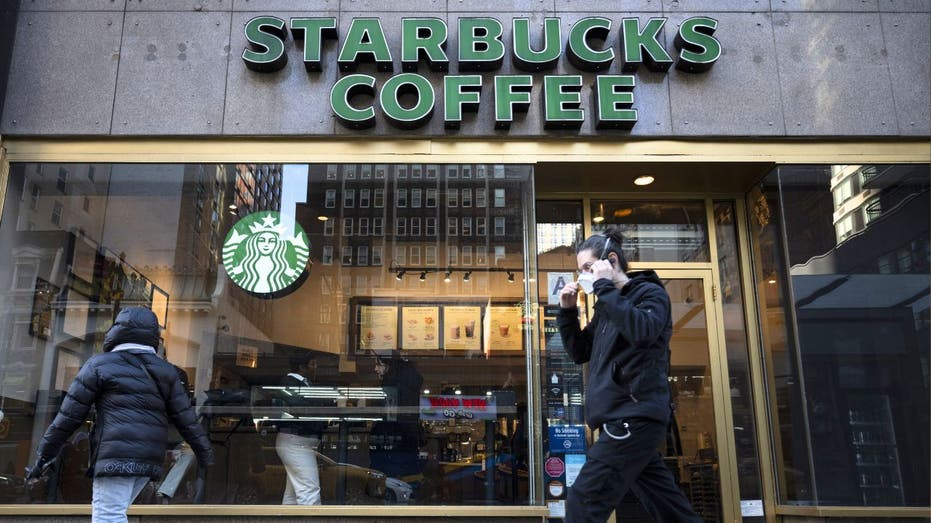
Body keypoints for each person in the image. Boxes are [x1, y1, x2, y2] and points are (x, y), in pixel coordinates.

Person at [556, 227, 701, 523]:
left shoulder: (650, 294)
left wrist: (605, 289)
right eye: (581, 270)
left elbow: (643, 330)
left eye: (588, 267)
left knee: (584, 500)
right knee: (670, 509)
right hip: (626, 418)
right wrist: (568, 313)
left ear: (611, 260)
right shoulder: (608, 307)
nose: (584, 275)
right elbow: (580, 352)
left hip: (631, 418)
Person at [26, 306, 214, 523]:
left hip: (115, 456)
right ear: (153, 335)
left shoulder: (99, 365)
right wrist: (204, 454)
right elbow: (186, 419)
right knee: (114, 513)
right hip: (149, 459)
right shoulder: (167, 371)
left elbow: (68, 418)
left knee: (108, 516)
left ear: (116, 330)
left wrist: (43, 457)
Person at [274, 351, 328, 505]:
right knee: (309, 490)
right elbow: (303, 409)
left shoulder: (304, 383)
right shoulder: (289, 382)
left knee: (292, 495)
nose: (316, 367)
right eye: (313, 364)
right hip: (295, 442)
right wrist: (323, 408)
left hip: (298, 441)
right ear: (301, 367)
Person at [370, 352, 424, 481]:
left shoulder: (392, 388)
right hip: (406, 445)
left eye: (379, 364)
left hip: (390, 445)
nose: (375, 368)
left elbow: (389, 417)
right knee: (406, 483)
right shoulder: (408, 385)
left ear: (390, 366)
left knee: (389, 485)